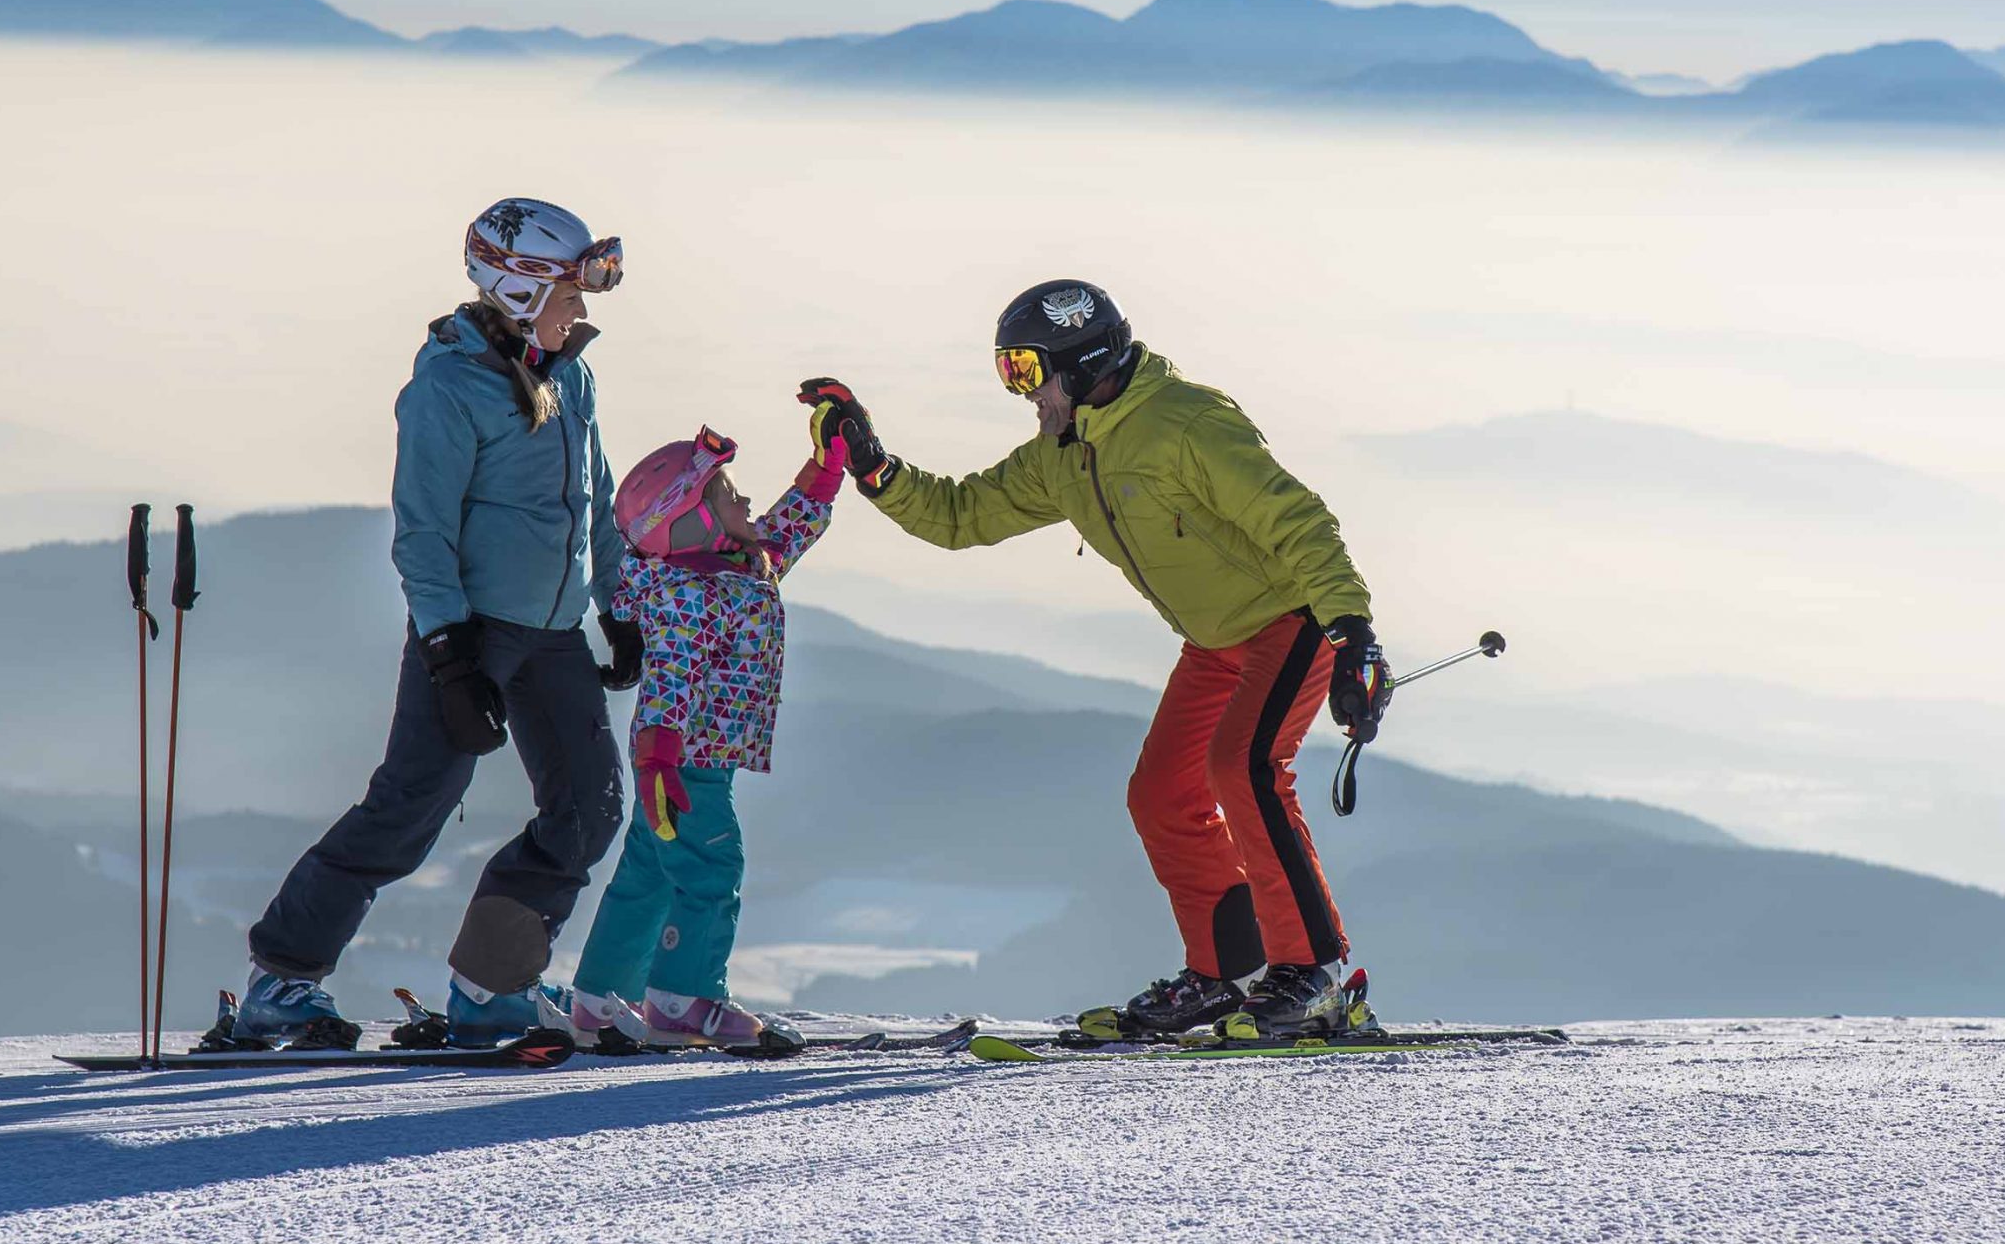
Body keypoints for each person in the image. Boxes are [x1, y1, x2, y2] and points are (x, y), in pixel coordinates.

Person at [798, 280, 1391, 1039]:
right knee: (1161, 793)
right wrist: (873, 465)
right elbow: (961, 512)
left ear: (1081, 362)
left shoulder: (1187, 424)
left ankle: (1312, 974)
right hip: (1215, 640)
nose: (1021, 392)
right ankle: (1224, 974)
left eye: (1024, 370)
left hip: (1293, 618)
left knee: (1242, 768)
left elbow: (1297, 518)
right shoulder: (1064, 453)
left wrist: (1353, 633)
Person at [237, 199, 638, 1049]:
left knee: (590, 809)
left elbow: (596, 501)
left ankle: (491, 986)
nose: (584, 306)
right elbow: (422, 532)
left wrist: (622, 609)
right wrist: (450, 656)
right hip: (474, 632)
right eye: (573, 289)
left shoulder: (574, 375)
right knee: (411, 807)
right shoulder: (447, 388)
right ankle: (281, 977)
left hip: (555, 632)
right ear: (520, 288)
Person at [565, 413, 844, 1054]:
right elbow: (668, 677)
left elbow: (785, 533)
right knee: (714, 866)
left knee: (650, 871)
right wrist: (661, 761)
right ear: (692, 523)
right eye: (726, 495)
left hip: (679, 759)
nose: (743, 500)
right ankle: (682, 1001)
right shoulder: (691, 595)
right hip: (684, 763)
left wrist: (826, 471)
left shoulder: (733, 568)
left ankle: (599, 999)